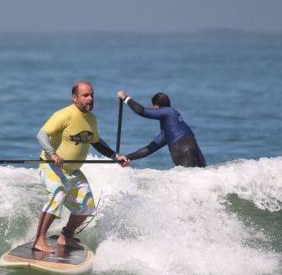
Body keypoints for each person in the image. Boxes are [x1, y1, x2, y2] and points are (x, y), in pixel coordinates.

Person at [33, 81, 130, 253]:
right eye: (85, 95)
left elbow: (96, 142)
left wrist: (115, 156)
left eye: (92, 95)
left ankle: (66, 237)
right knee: (58, 194)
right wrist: (53, 153)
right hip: (51, 167)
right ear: (74, 97)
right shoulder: (64, 115)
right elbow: (41, 135)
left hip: (73, 171)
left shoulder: (91, 118)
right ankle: (39, 240)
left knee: (87, 206)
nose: (90, 99)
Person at [116, 90, 206, 168]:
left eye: (153, 108)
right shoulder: (170, 131)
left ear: (156, 107)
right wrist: (126, 157)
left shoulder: (168, 111)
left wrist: (125, 98)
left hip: (184, 152)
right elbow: (148, 150)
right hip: (195, 152)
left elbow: (142, 111)